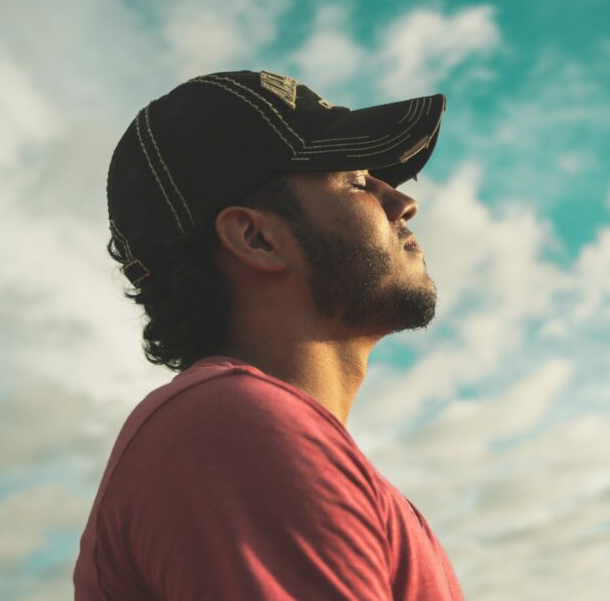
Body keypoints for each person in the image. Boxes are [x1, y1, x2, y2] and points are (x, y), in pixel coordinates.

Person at [73, 70, 464, 600]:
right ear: (257, 238)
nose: (400, 203)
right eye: (355, 182)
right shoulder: (233, 427)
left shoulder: (253, 435)